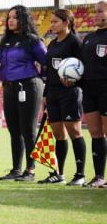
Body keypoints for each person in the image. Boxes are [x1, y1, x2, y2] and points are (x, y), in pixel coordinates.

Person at [0, 5, 47, 182]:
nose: (11, 20)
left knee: (28, 130)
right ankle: (16, 170)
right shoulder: (6, 41)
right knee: (14, 131)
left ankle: (30, 170)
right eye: (9, 17)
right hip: (9, 88)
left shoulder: (32, 40)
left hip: (29, 87)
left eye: (15, 17)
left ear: (23, 20)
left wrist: (44, 86)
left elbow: (46, 63)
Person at [38, 9, 86, 185]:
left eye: (55, 22)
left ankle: (80, 174)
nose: (52, 25)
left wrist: (74, 82)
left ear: (66, 23)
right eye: (51, 22)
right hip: (52, 93)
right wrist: (45, 94)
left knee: (74, 131)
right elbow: (49, 72)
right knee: (58, 134)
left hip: (69, 93)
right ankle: (59, 173)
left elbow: (82, 67)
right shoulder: (51, 44)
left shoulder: (74, 42)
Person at [80, 0, 107, 187]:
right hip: (88, 90)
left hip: (106, 88)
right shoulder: (89, 38)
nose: (96, 15)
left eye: (100, 11)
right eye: (95, 12)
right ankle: (99, 177)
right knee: (95, 133)